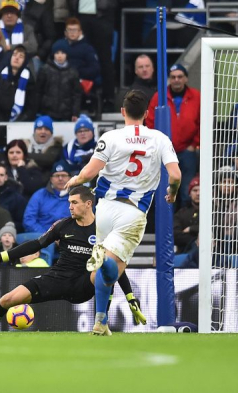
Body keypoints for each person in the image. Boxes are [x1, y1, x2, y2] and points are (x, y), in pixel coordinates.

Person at [0, 186, 147, 335]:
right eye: (69, 202)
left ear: (88, 204)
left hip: (84, 283)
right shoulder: (62, 226)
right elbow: (36, 244)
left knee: (103, 266)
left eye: (74, 202)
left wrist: (130, 296)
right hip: (57, 278)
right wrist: (1, 257)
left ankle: (101, 322)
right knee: (8, 299)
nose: (70, 206)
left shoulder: (103, 230)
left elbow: (115, 267)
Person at [63, 90, 181, 335]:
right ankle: (102, 306)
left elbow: (88, 174)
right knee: (113, 267)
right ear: (147, 114)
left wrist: (74, 179)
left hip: (104, 207)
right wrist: (173, 191)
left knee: (103, 269)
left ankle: (100, 321)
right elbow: (176, 175)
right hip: (133, 212)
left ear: (123, 112)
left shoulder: (110, 137)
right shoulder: (160, 138)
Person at [146, 63, 200, 207]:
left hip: (187, 150)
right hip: (165, 151)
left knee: (186, 188)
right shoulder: (159, 97)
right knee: (165, 189)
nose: (176, 80)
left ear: (186, 79)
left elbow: (202, 121)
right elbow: (150, 123)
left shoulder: (196, 96)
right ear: (169, 79)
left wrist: (194, 144)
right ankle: (171, 224)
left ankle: (184, 222)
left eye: (180, 77)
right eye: (173, 77)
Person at [36, 41, 82, 121]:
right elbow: (38, 92)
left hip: (66, 115)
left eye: (62, 53)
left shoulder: (73, 72)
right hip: (46, 113)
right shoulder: (45, 70)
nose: (60, 56)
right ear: (53, 54)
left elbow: (76, 95)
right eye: (57, 53)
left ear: (67, 54)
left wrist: (75, 113)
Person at [23, 161, 73, 233]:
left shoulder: (77, 196)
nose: (60, 178)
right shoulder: (40, 195)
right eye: (56, 175)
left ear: (70, 178)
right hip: (42, 237)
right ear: (51, 179)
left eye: (64, 175)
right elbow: (29, 220)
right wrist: (47, 236)